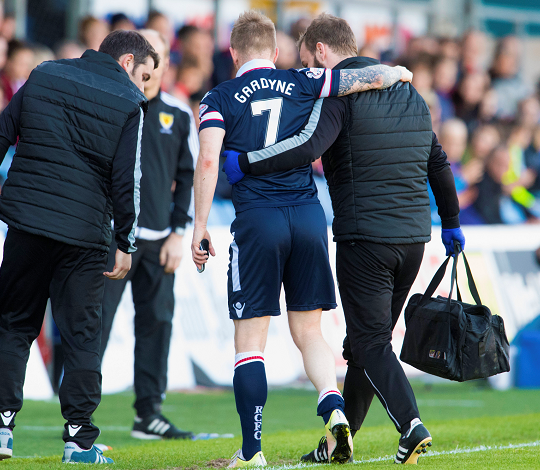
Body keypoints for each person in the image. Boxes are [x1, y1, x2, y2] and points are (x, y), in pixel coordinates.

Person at [222, 13, 464, 465]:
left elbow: (309, 147)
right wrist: (451, 221)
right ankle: (337, 445)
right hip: (414, 238)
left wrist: (246, 163)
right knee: (363, 346)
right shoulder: (408, 92)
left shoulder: (338, 93)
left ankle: (411, 425)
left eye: (305, 57)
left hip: (365, 237)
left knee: (369, 343)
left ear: (320, 51)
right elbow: (438, 161)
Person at [191, 10, 412, 468]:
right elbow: (362, 79)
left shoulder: (217, 97)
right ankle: (333, 405)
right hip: (310, 219)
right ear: (275, 52)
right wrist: (396, 72)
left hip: (257, 221)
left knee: (251, 342)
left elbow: (208, 162)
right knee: (309, 331)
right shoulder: (304, 79)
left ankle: (252, 451)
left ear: (232, 52)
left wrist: (199, 227)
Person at [0, 29, 158, 464]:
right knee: (83, 337)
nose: (143, 87)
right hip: (84, 237)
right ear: (126, 63)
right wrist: (126, 240)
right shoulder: (129, 103)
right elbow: (128, 182)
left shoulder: (44, 74)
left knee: (14, 325)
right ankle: (79, 441)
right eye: (143, 76)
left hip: (27, 223)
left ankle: (0, 431)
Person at [99, 28, 197, 441]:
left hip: (159, 241)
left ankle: (149, 414)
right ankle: (77, 412)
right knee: (93, 323)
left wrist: (180, 232)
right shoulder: (106, 106)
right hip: (109, 238)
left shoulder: (178, 115)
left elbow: (190, 176)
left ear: (164, 64)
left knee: (157, 323)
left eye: (158, 56)